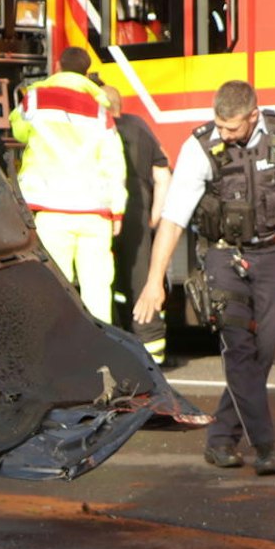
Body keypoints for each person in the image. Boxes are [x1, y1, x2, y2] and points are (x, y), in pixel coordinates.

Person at [134, 80, 275, 476]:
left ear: (253, 115)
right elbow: (172, 220)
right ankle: (266, 447)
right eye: (219, 125)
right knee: (239, 349)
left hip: (270, 254)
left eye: (232, 128)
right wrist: (154, 280)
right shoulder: (199, 147)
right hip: (222, 256)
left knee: (263, 352)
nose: (224, 134)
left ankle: (220, 438)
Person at [9, 46, 127, 322]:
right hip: (94, 214)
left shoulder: (35, 98)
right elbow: (114, 163)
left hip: (51, 209)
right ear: (87, 73)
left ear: (58, 66)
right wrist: (117, 210)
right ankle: (99, 352)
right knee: (97, 290)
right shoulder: (99, 110)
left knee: (54, 287)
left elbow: (19, 130)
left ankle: (56, 353)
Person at [108, 86, 172, 361]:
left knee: (110, 282)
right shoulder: (139, 126)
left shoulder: (97, 130)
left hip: (106, 217)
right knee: (142, 280)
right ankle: (153, 352)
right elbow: (162, 175)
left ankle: (119, 346)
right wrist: (156, 215)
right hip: (139, 215)